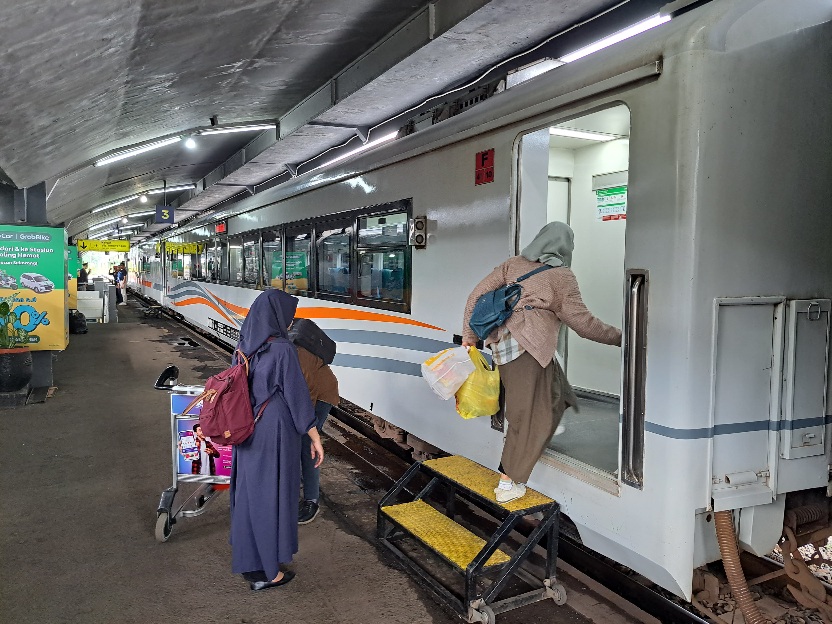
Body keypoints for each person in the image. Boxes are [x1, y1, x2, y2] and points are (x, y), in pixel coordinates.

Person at [461, 222, 621, 504]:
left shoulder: (512, 265)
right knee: (526, 417)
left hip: (506, 346)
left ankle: (546, 425)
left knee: (556, 391)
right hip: (527, 351)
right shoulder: (561, 276)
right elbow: (583, 323)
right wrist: (622, 337)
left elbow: (475, 295)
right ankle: (509, 480)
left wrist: (469, 337)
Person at [229, 289, 324, 591]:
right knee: (273, 496)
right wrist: (314, 435)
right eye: (288, 316)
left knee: (249, 495)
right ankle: (268, 573)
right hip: (275, 431)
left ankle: (250, 562)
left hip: (247, 428)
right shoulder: (282, 349)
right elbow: (297, 398)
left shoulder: (244, 346)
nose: (290, 321)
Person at [293, 332, 339, 525]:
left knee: (308, 446)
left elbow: (307, 392)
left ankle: (311, 500)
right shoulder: (280, 344)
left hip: (320, 396)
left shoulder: (298, 352)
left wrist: (309, 425)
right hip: (308, 394)